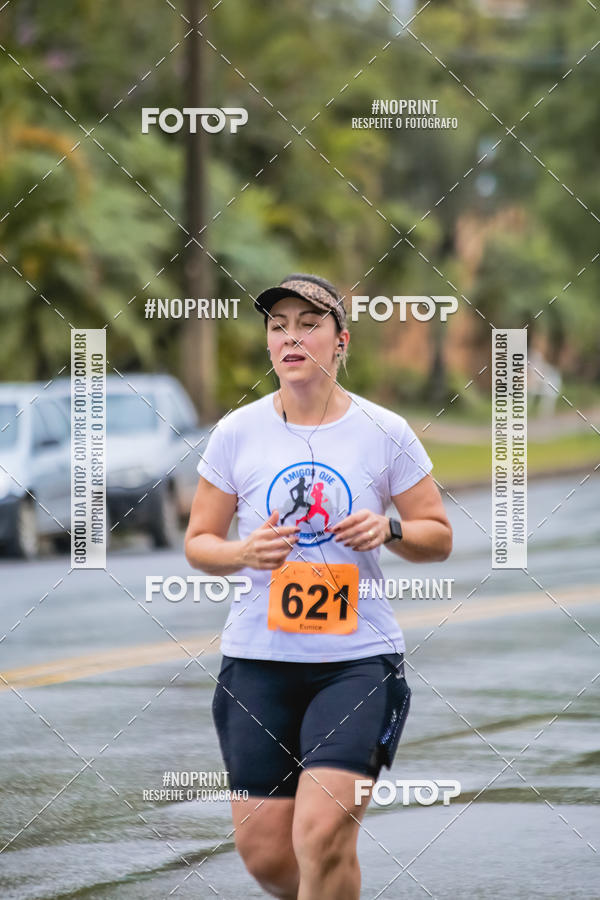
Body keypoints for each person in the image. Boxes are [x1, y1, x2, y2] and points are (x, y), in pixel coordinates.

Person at [185, 273, 452, 900]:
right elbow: (200, 542)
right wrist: (242, 551)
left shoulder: (383, 431)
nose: (291, 336)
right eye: (279, 325)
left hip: (356, 664)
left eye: (309, 324)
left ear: (340, 342)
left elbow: (437, 536)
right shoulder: (236, 433)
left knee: (320, 834)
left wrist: (388, 529)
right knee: (269, 856)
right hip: (257, 661)